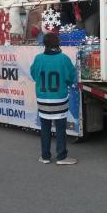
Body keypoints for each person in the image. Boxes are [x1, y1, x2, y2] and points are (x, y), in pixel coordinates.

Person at [30, 32, 78, 165]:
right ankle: (61, 156)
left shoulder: (38, 58)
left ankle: (45, 156)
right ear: (58, 43)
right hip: (59, 99)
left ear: (44, 43)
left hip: (43, 99)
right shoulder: (64, 59)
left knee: (45, 128)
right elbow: (71, 78)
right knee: (60, 128)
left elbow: (34, 75)